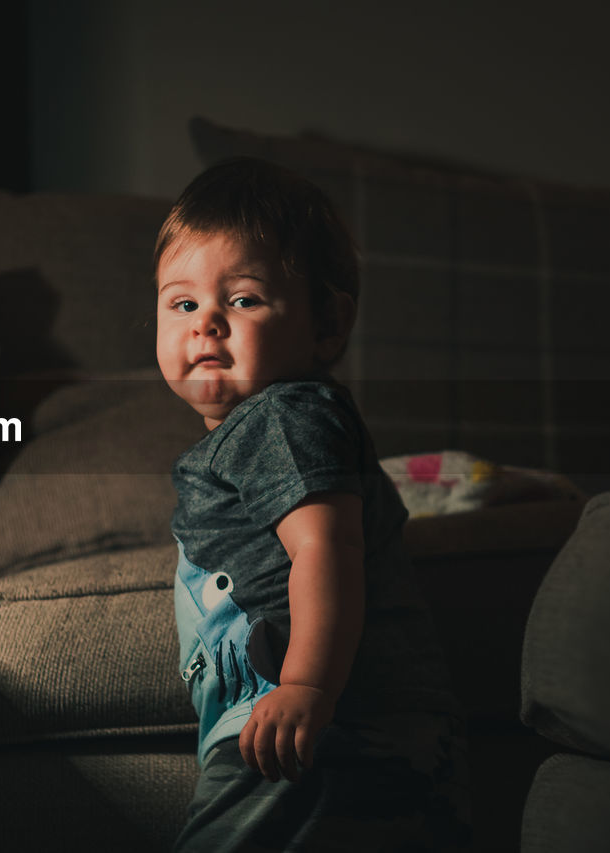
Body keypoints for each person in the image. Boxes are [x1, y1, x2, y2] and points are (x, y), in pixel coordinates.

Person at [156, 157, 471, 852]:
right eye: (183, 303)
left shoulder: (285, 415)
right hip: (329, 724)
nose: (206, 322)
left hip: (312, 725)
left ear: (327, 324)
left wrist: (305, 685)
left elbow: (327, 549)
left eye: (242, 299)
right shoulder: (259, 429)